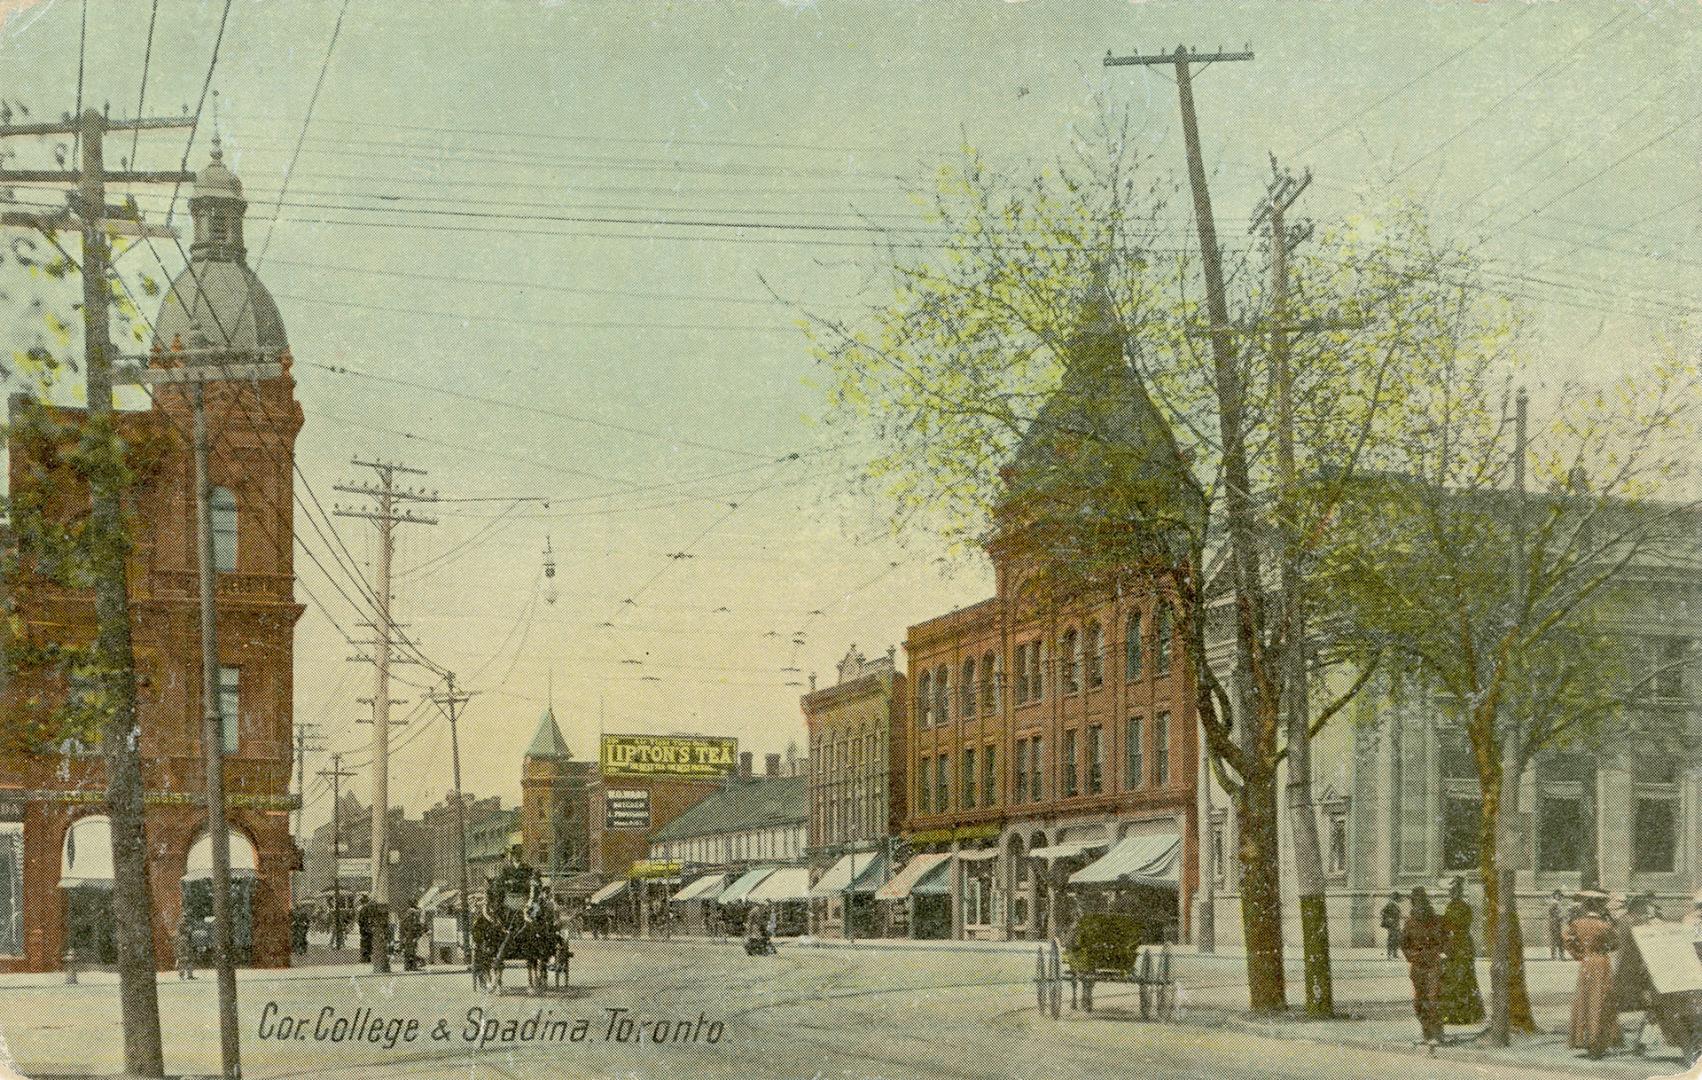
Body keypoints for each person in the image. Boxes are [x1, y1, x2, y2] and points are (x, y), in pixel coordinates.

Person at [1564, 890, 1620, 1059]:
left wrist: (1579, 954)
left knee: (1585, 998)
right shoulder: (1605, 925)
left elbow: (1567, 939)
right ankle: (1600, 1039)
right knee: (1601, 999)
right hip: (1602, 962)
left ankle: (1585, 1037)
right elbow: (1615, 943)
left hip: (1586, 963)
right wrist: (1604, 949)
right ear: (1599, 906)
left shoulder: (1576, 923)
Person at [1611, 892, 1659, 1054]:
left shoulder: (1623, 920)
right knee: (1650, 1005)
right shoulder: (1639, 922)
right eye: (1646, 906)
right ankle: (1641, 1043)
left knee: (1619, 1005)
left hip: (1623, 967)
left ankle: (1614, 1037)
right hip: (1639, 969)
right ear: (1640, 907)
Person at [1401, 886, 1446, 1048]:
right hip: (1418, 966)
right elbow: (1404, 945)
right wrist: (1414, 956)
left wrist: (1438, 953)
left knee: (1433, 999)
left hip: (1433, 964)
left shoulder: (1435, 921)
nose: (1419, 906)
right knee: (1419, 1001)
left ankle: (1438, 1034)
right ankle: (1427, 1033)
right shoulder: (1409, 923)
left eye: (1421, 902)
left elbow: (1445, 940)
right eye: (1416, 902)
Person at [1439, 877, 1485, 1026]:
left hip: (1457, 945)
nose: (1451, 894)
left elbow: (1448, 925)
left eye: (1452, 891)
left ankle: (1455, 1015)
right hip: (1464, 945)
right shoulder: (1464, 907)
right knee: (1466, 979)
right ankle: (1469, 1014)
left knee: (1455, 979)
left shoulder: (1453, 907)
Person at [1380, 892, 1404, 960]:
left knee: (1396, 939)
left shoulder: (1395, 904)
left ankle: (1395, 954)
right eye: (1398, 898)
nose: (1400, 900)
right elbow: (1382, 912)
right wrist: (1389, 919)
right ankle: (1389, 955)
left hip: (1396, 924)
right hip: (1392, 925)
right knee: (1391, 939)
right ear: (1396, 898)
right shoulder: (1390, 904)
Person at [175, 915, 197, 981]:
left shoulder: (181, 923)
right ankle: (185, 975)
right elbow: (187, 932)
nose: (186, 918)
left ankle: (187, 975)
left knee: (186, 958)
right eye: (185, 916)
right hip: (184, 942)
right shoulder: (183, 924)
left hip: (184, 942)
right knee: (184, 959)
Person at [1547, 890, 1567, 961]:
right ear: (1555, 895)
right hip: (1555, 924)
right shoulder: (1554, 903)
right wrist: (1560, 917)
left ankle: (1555, 956)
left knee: (1556, 940)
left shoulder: (1556, 903)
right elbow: (1552, 912)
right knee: (1558, 940)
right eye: (1558, 895)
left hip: (1555, 924)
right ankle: (1559, 956)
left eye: (1560, 895)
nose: (1559, 897)